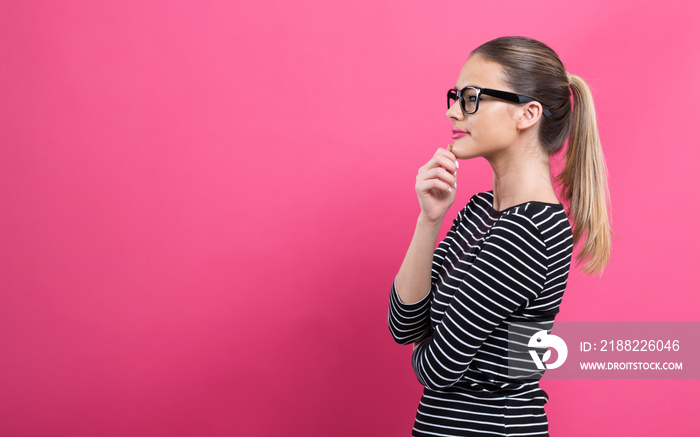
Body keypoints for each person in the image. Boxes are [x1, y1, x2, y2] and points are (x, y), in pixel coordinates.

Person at [387, 36, 613, 436]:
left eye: (471, 97)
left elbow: (436, 369)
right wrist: (430, 219)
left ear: (527, 114)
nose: (452, 111)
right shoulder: (479, 210)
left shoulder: (529, 231)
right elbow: (404, 325)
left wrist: (430, 340)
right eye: (456, 96)